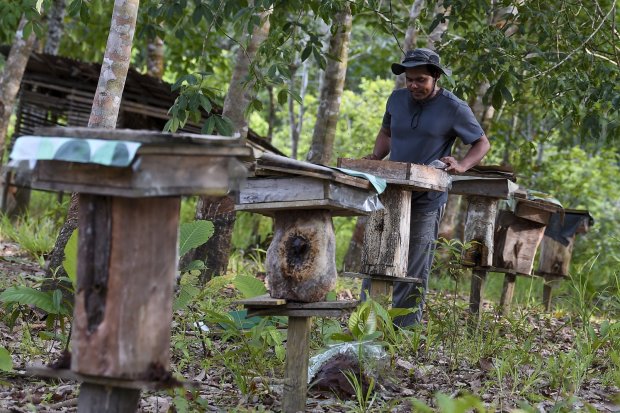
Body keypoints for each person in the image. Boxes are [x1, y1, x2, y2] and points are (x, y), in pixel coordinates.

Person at [363, 48, 491, 327]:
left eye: (420, 79)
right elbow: (387, 131)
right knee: (375, 256)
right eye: (409, 79)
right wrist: (376, 157)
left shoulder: (454, 107)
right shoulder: (396, 100)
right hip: (390, 192)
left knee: (414, 265)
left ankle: (404, 330)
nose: (413, 85)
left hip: (427, 198)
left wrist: (463, 165)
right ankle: (365, 324)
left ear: (435, 77)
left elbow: (481, 142)